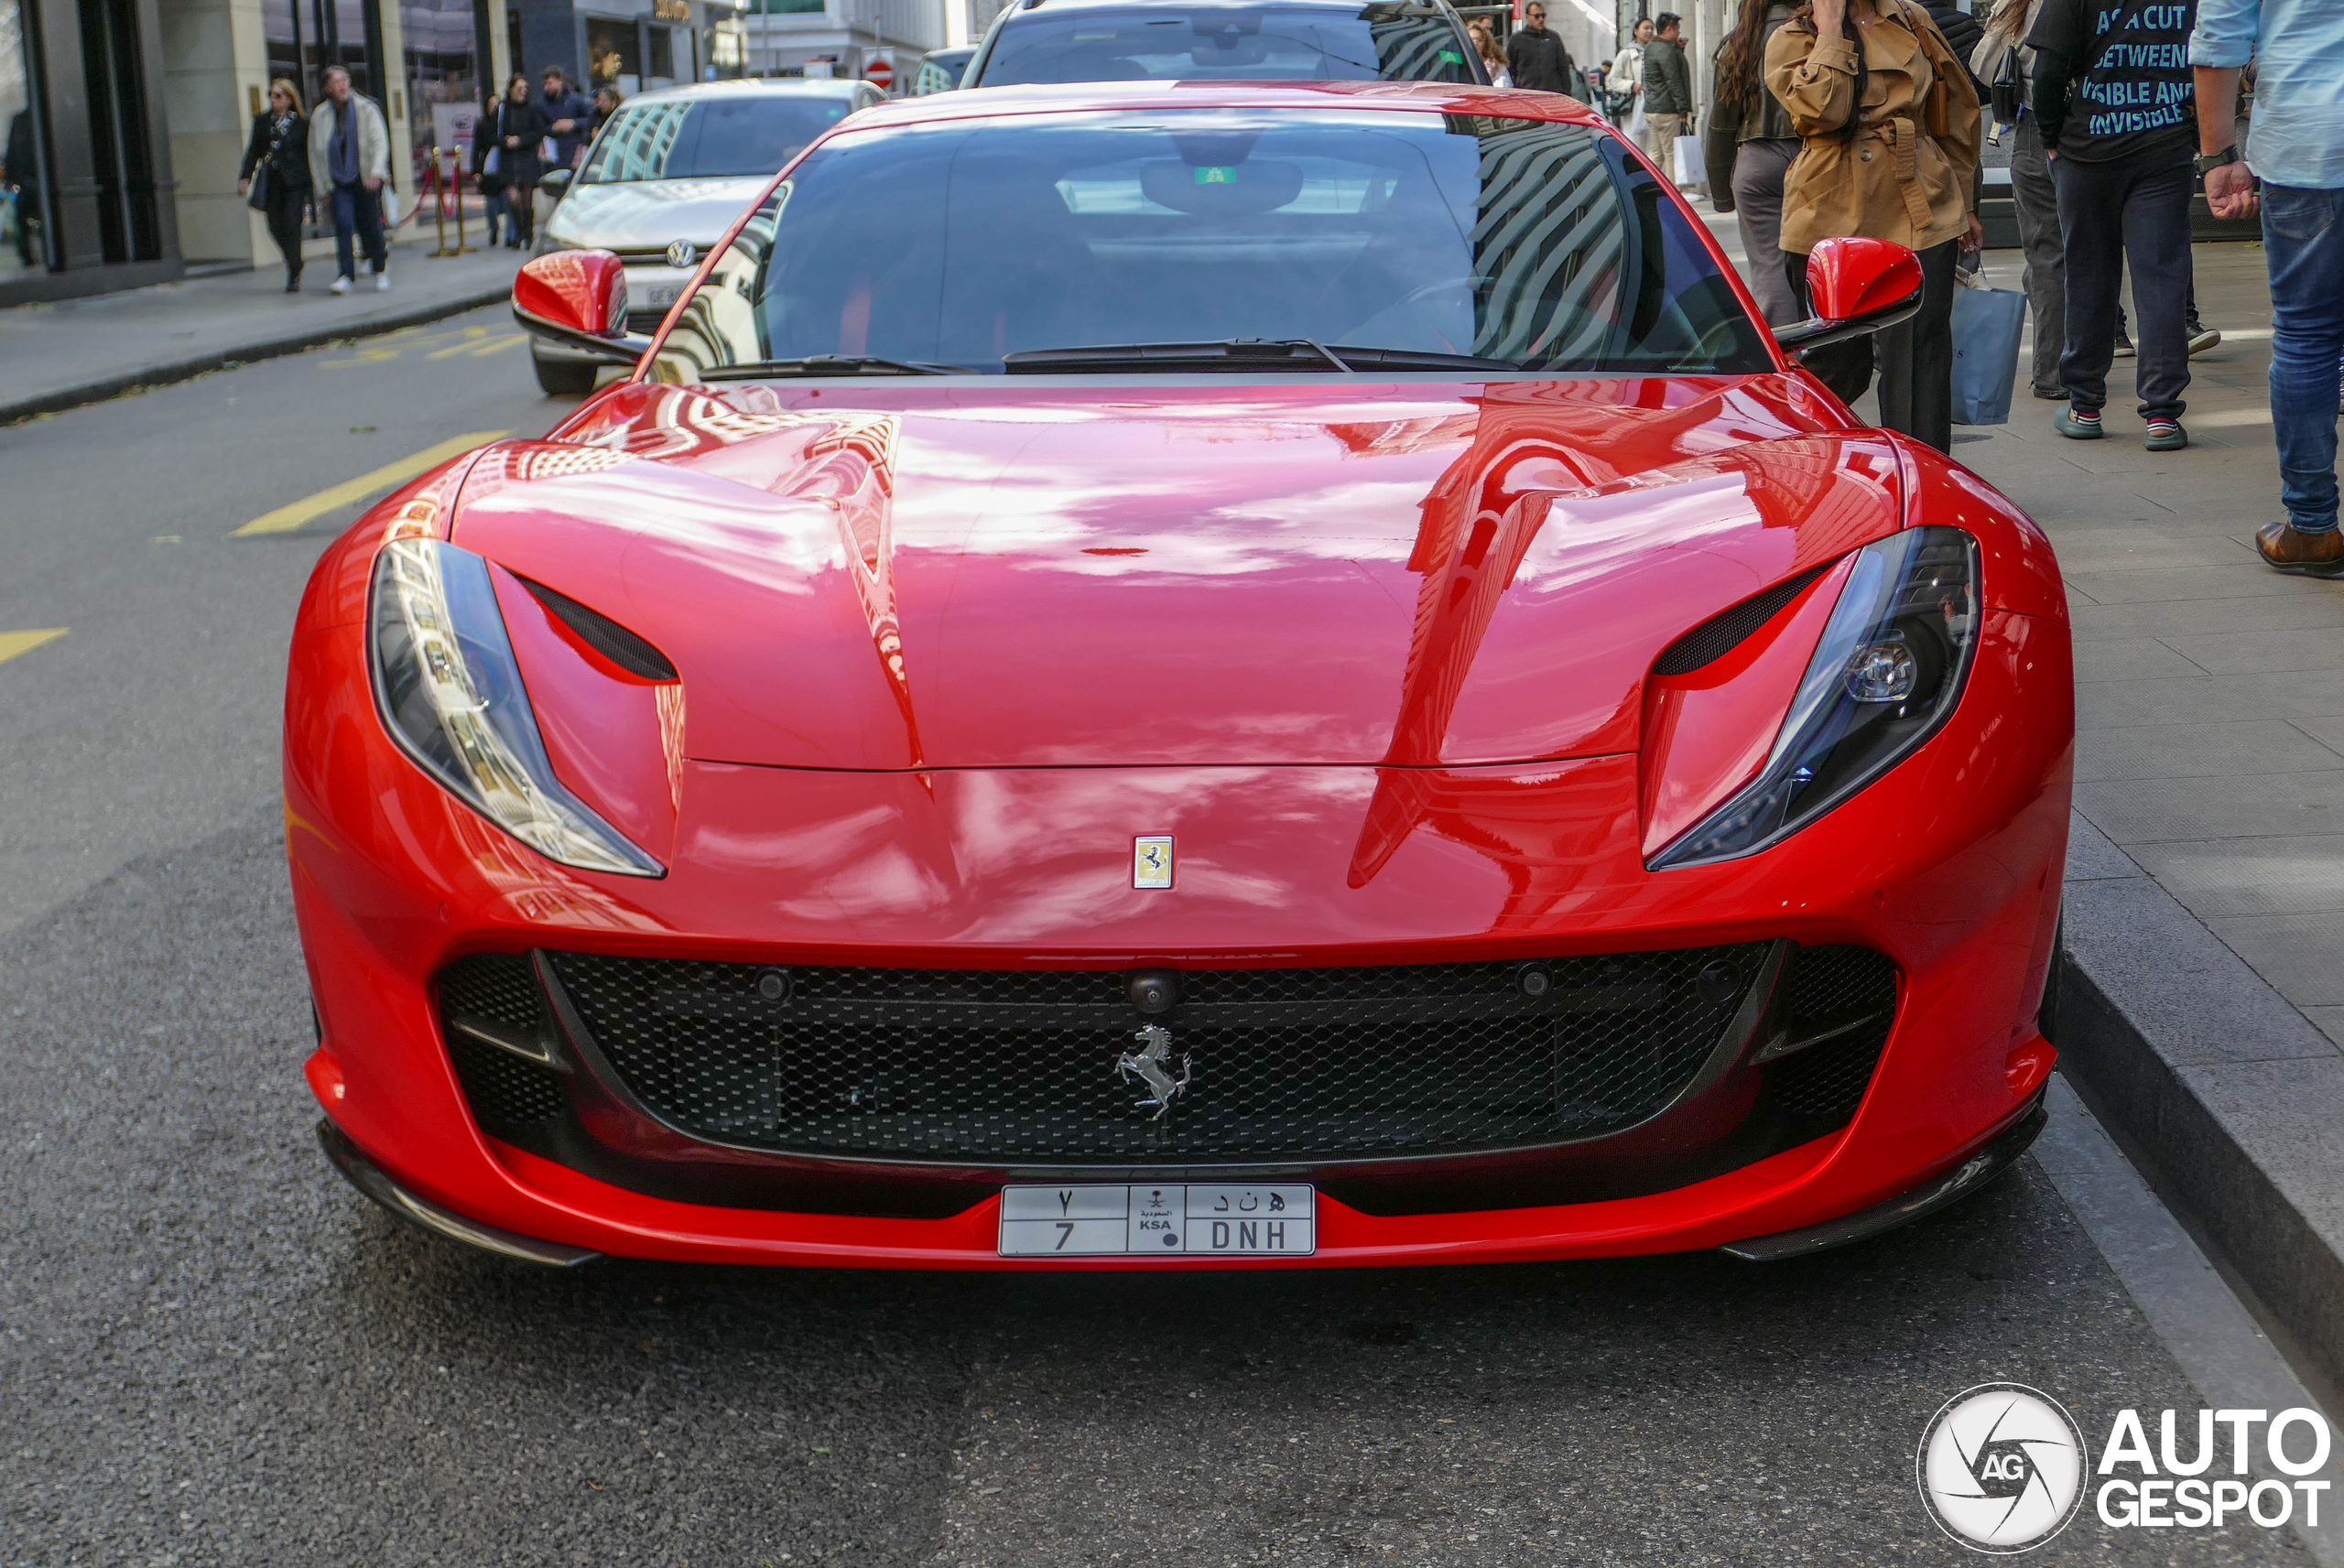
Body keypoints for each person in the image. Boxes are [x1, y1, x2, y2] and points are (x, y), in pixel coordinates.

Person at [1767, 0, 1983, 452]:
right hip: (1829, 212)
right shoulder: (1794, 36)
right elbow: (1821, 111)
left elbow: (1959, 111)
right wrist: (1830, 29)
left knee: (1921, 357)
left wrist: (1964, 201)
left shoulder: (1912, 21)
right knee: (1835, 358)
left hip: (1921, 202)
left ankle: (1923, 475)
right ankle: (1812, 465)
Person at [2191, 0, 2344, 574]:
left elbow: (2218, 42)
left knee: (2307, 338)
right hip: (2305, 150)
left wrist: (2218, 154)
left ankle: (2312, 528)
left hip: (2308, 149)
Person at [2029, 0, 2198, 450]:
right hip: (2165, 147)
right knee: (2162, 279)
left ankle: (2084, 405)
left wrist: (2050, 138)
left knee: (2088, 277)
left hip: (2087, 152)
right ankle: (2162, 414)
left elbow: (2047, 73)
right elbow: (2215, 58)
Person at [1705, 0, 1803, 324]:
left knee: (1769, 265)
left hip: (1757, 162)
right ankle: (1826, 349)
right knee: (1822, 260)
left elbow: (1720, 127)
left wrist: (1721, 195)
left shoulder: (1739, 44)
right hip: (1814, 157)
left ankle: (1785, 352)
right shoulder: (1814, 34)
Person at [306, 65, 391, 295]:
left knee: (371, 225)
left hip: (364, 178)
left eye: (344, 80)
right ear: (327, 88)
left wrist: (377, 171)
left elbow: (379, 142)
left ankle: (380, 269)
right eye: (336, 82)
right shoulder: (320, 116)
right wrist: (322, 185)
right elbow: (315, 153)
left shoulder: (366, 109)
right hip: (339, 182)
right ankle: (345, 275)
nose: (342, 85)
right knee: (343, 225)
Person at [237, 78, 312, 293]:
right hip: (272, 181)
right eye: (270, 94)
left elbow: (309, 156)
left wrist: (313, 186)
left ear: (289, 99)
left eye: (278, 95)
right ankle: (295, 261)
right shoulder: (262, 122)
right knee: (274, 226)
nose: (273, 99)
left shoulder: (302, 124)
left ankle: (294, 271)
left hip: (295, 183)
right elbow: (253, 151)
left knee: (291, 225)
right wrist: (245, 177)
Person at [486, 75, 548, 250]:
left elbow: (538, 132)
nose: (523, 91)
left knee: (527, 199)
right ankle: (519, 231)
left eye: (525, 88)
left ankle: (527, 235)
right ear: (510, 89)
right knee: (513, 198)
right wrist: (505, 142)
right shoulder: (501, 110)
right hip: (508, 159)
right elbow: (490, 134)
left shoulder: (532, 109)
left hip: (527, 157)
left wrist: (520, 140)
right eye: (519, 88)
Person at [1644, 14, 1696, 176]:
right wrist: (1683, 108)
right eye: (1677, 30)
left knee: (1656, 154)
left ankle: (1649, 186)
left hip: (1652, 109)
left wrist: (1679, 49)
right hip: (1668, 110)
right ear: (1669, 28)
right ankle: (1675, 193)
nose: (1679, 33)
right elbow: (1673, 80)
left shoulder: (1652, 46)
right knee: (1671, 154)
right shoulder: (1666, 50)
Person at [1506, 5, 1584, 99]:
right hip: (1527, 96)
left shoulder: (1553, 38)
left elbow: (1563, 68)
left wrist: (1566, 94)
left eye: (1543, 15)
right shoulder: (1516, 40)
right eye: (1537, 16)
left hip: (1552, 95)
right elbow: (1510, 69)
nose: (1541, 19)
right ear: (1527, 17)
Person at [5, 106, 41, 269]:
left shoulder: (32, 118)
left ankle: (33, 255)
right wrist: (10, 177)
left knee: (30, 215)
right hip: (26, 179)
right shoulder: (20, 120)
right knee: (22, 216)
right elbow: (12, 149)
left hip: (37, 177)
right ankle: (28, 256)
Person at [471, 90, 507, 247]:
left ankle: (511, 234)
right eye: (490, 105)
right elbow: (476, 149)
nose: (493, 107)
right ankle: (494, 229)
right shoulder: (482, 124)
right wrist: (476, 171)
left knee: (506, 201)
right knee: (491, 204)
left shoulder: (505, 124)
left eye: (496, 104)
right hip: (488, 168)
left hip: (504, 167)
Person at [540, 67, 593, 170]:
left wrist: (574, 123)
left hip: (575, 153)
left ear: (559, 81)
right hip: (552, 156)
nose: (547, 87)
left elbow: (590, 120)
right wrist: (552, 128)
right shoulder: (542, 104)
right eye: (545, 84)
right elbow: (538, 127)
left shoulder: (576, 100)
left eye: (550, 83)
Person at [1608, 17, 1654, 122]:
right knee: (1634, 137)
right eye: (1646, 28)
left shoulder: (1655, 52)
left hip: (1654, 106)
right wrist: (1631, 85)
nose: (1650, 31)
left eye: (1652, 29)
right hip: (1634, 106)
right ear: (1636, 31)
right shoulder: (1626, 54)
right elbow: (1613, 80)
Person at [1469, 18, 1511, 86]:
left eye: (1479, 40)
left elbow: (1506, 86)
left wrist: (1492, 76)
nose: (1475, 43)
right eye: (1471, 40)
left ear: (1485, 42)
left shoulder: (1496, 64)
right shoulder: (1460, 62)